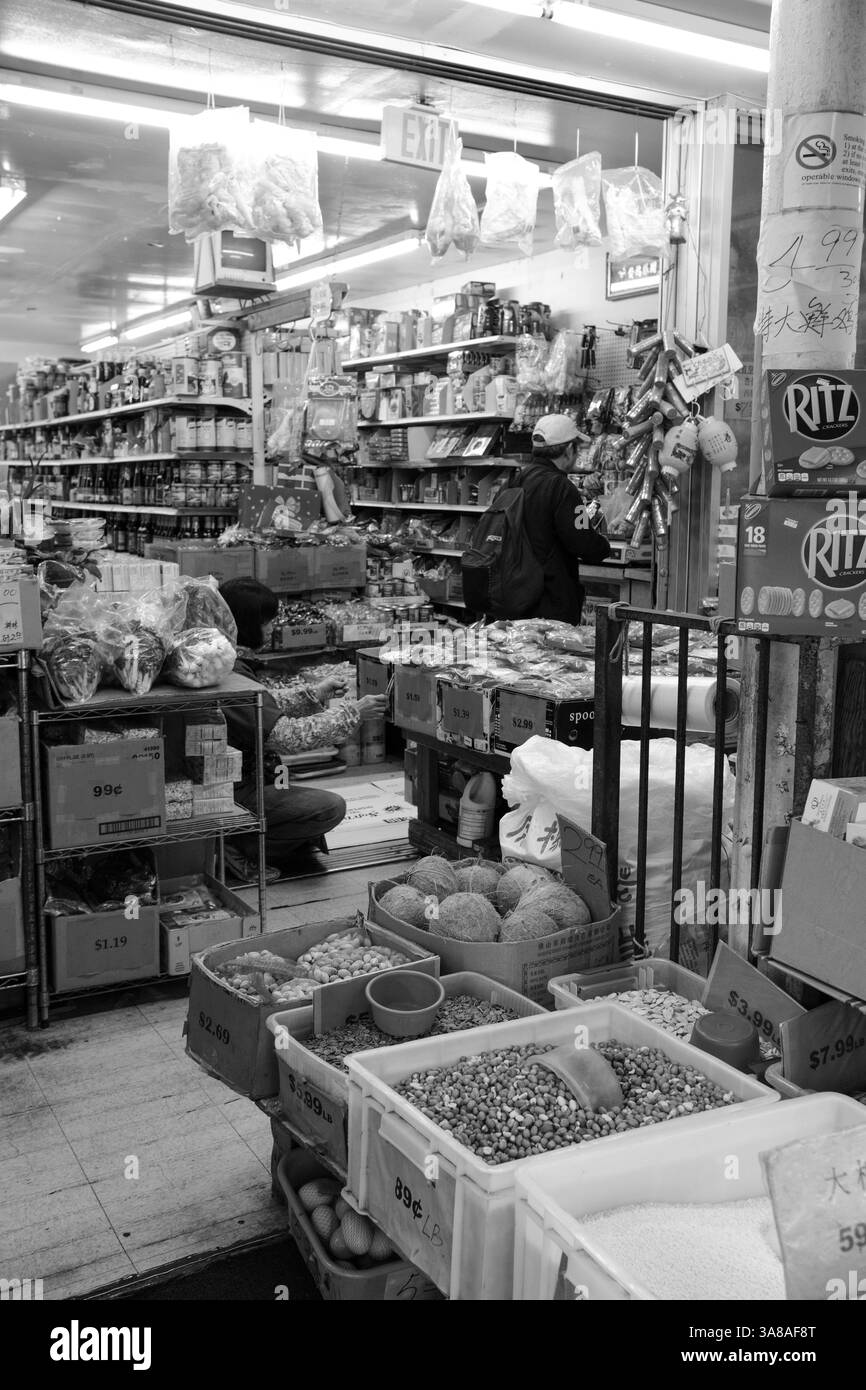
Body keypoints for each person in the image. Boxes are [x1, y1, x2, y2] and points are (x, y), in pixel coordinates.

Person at [218, 576, 388, 880]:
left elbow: (262, 704)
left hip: (251, 775)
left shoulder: (226, 660)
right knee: (329, 808)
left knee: (290, 792)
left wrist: (315, 693)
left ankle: (263, 835)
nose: (271, 629)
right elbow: (287, 737)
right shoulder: (230, 673)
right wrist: (355, 712)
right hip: (233, 790)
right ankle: (237, 845)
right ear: (246, 623)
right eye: (267, 622)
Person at [517, 413, 612, 624]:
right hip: (549, 603)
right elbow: (582, 542)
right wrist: (604, 546)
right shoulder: (561, 487)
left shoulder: (516, 481)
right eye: (576, 449)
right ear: (569, 450)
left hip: (515, 597)